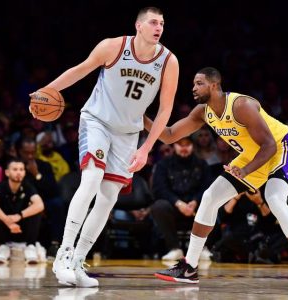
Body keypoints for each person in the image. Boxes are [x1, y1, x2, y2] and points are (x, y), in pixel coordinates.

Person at [30, 7, 179, 287]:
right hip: (97, 121)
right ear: (138, 25)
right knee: (92, 179)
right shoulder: (113, 47)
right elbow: (80, 70)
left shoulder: (169, 61)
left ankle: (78, 261)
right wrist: (45, 92)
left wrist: (146, 148)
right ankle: (63, 252)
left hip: (128, 133)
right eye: (153, 22)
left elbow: (165, 109)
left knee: (109, 198)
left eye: (162, 23)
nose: (159, 27)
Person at [145, 67, 288, 290]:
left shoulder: (241, 106)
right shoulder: (202, 111)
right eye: (193, 83)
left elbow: (268, 145)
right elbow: (170, 135)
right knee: (210, 197)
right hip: (251, 156)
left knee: (275, 199)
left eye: (198, 83)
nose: (193, 88)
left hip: (282, 147)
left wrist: (246, 171)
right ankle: (189, 267)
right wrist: (140, 118)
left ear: (214, 85)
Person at [0, 158, 44, 264]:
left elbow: (40, 205)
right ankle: (2, 246)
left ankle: (30, 246)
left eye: (21, 169)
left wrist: (19, 216)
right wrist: (7, 220)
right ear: (7, 172)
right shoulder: (1, 187)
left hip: (22, 229)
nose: (18, 172)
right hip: (5, 229)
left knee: (36, 210)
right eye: (15, 169)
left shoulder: (28, 187)